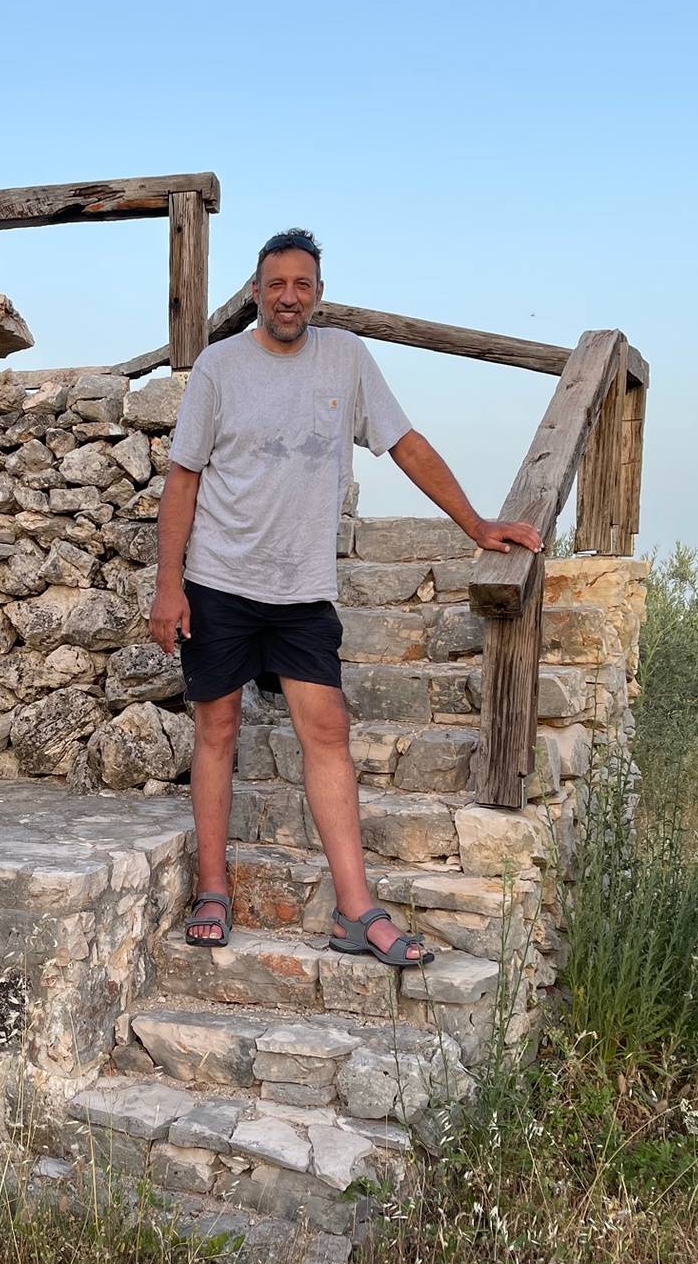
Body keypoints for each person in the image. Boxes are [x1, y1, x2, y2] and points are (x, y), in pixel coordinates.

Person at [148, 228, 543, 966]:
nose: (289, 297)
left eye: (302, 284)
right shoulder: (220, 366)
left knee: (326, 732)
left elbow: (405, 443)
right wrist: (169, 588)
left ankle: (356, 911)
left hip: (302, 590)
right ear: (257, 293)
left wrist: (477, 524)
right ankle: (212, 888)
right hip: (221, 580)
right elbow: (184, 479)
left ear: (318, 294)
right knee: (217, 732)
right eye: (276, 285)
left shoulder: (347, 358)